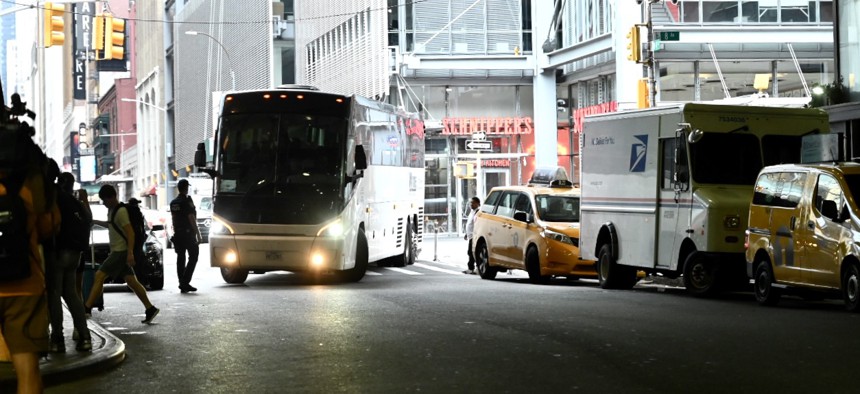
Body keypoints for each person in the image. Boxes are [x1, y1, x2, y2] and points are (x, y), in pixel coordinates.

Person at [0, 159, 60, 393]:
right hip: (25, 289)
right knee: (28, 372)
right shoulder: (29, 186)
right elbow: (49, 229)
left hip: (26, 288)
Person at [85, 185, 159, 324]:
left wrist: (130, 253)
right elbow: (111, 225)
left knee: (99, 275)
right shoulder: (112, 211)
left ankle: (86, 308)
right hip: (119, 251)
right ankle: (150, 308)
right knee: (132, 282)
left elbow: (130, 233)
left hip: (120, 252)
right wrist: (95, 222)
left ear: (112, 197)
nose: (104, 203)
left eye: (105, 200)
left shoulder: (121, 212)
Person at [47, 172, 93, 353]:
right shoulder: (74, 201)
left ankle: (57, 339)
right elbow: (88, 220)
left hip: (59, 251)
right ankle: (85, 336)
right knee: (71, 293)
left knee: (54, 293)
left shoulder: (54, 197)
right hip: (76, 253)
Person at [170, 179, 202, 293]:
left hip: (178, 233)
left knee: (180, 257)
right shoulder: (186, 201)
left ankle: (181, 282)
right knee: (194, 255)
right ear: (186, 188)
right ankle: (185, 282)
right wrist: (198, 233)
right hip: (188, 233)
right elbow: (191, 218)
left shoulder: (173, 202)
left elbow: (173, 218)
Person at [462, 197, 480, 275]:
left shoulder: (478, 212)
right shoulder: (472, 211)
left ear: (477, 203)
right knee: (471, 252)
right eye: (470, 203)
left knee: (472, 252)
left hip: (474, 236)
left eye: (473, 203)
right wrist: (467, 233)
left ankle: (473, 268)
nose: (471, 204)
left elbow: (477, 224)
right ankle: (471, 268)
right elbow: (470, 223)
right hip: (470, 235)